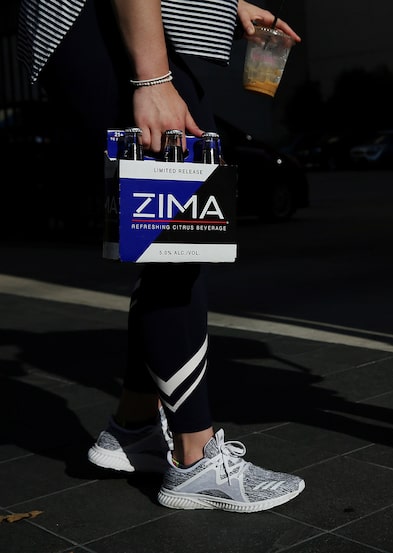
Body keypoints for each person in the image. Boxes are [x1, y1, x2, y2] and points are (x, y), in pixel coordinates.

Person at [16, 0, 306, 513]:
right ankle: (195, 458)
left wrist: (228, 4)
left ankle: (133, 427)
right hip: (110, 25)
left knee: (168, 241)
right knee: (180, 240)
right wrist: (152, 79)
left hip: (110, 27)